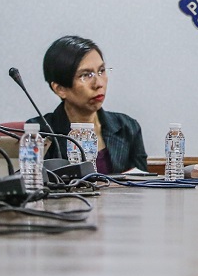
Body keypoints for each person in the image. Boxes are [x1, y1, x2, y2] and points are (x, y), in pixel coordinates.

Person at [29, 35, 149, 175]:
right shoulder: (41, 133)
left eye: (101, 71)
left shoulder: (127, 128)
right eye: (85, 75)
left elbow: (142, 185)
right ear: (60, 89)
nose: (99, 83)